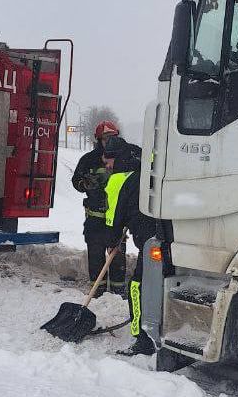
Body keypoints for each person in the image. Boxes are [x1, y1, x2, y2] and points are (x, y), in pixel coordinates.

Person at [71, 120, 140, 296]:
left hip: (117, 217)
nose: (108, 142)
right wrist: (85, 184)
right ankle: (98, 290)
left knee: (116, 253)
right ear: (98, 140)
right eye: (105, 139)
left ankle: (117, 289)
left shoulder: (128, 157)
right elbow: (76, 181)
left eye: (112, 138)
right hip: (95, 216)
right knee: (95, 253)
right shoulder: (89, 160)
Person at [102, 136, 157, 356]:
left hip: (148, 240)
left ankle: (142, 340)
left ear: (115, 159)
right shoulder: (147, 166)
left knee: (137, 286)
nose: (107, 168)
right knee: (156, 285)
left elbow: (112, 219)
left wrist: (111, 241)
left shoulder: (118, 180)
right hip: (168, 236)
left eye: (107, 163)